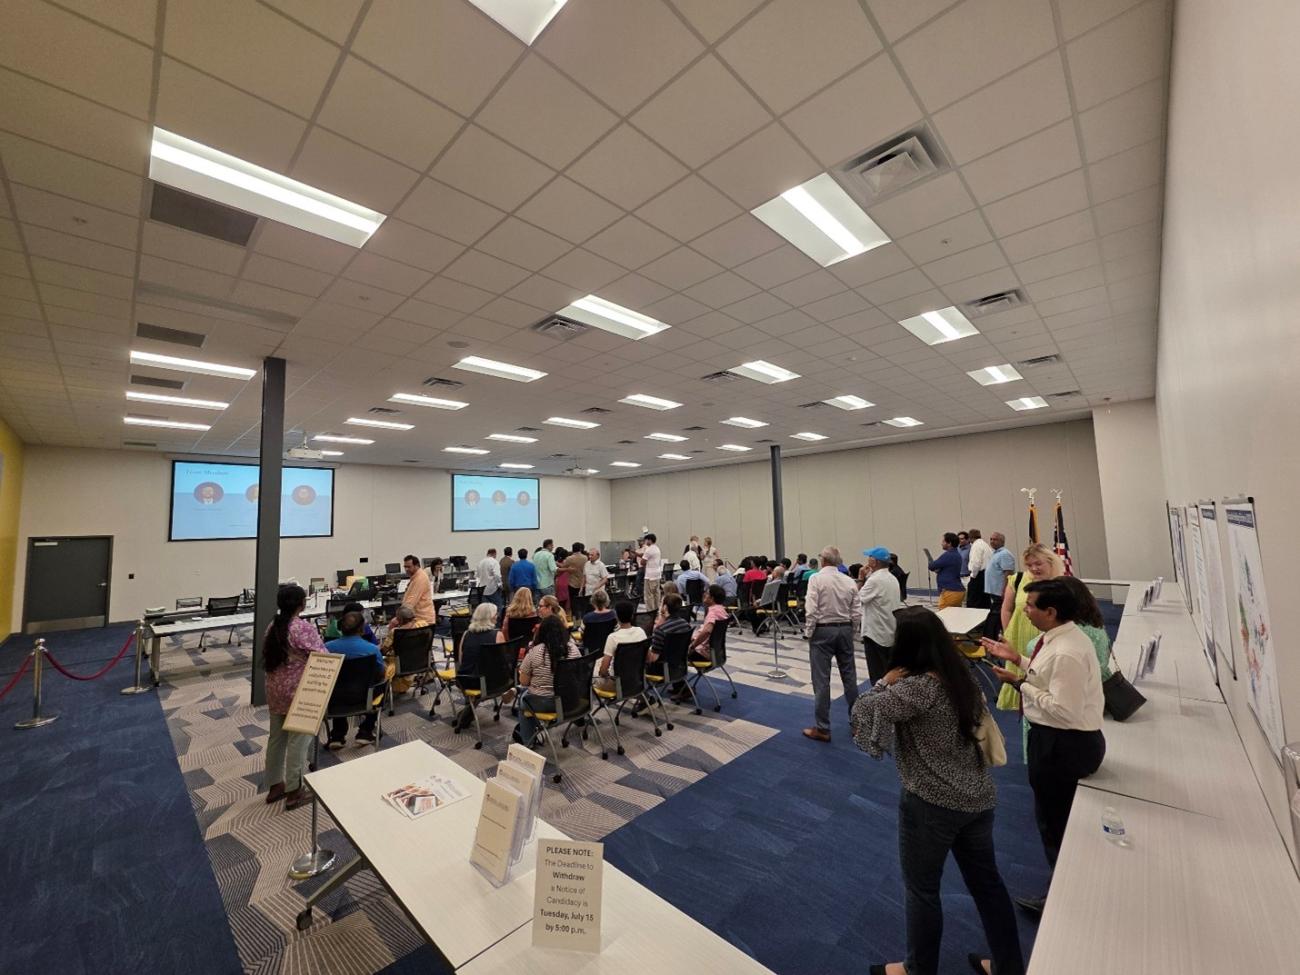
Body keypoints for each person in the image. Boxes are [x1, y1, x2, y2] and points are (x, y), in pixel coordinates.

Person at [853, 608, 1024, 975]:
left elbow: (863, 711)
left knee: (922, 890)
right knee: (988, 886)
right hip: (978, 796)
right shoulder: (960, 674)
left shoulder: (917, 688)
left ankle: (918, 969)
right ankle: (1009, 966)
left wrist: (884, 681)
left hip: (932, 804)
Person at [984, 579, 1105, 916]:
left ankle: (1066, 898)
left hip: (1062, 746)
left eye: (1032, 605)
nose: (1025, 609)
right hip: (1058, 741)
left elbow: (1063, 708)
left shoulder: (1067, 650)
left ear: (1051, 612)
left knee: (1055, 824)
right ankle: (1066, 886)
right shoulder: (1061, 639)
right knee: (1053, 820)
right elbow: (1050, 677)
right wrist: (1018, 659)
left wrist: (1020, 683)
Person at [262, 584, 326, 810]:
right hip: (298, 692)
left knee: (276, 739)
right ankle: (294, 790)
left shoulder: (272, 626)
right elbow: (323, 656)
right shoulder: (302, 628)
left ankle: (274, 785)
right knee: (299, 740)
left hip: (274, 690)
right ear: (302, 603)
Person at [995, 543, 1065, 710]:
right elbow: (1006, 609)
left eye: (1038, 563)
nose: (1034, 568)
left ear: (1050, 562)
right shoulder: (1017, 580)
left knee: (1045, 686)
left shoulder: (1062, 585)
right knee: (1021, 687)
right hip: (1018, 638)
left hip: (1049, 641)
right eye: (1029, 565)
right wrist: (1008, 633)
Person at [802, 546, 861, 743]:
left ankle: (823, 728)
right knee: (850, 678)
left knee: (821, 681)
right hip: (844, 629)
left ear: (823, 560)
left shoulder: (816, 579)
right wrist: (851, 631)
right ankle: (857, 726)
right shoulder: (849, 580)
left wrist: (809, 632)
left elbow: (811, 607)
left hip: (822, 630)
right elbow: (856, 611)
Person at [325, 610, 389, 747]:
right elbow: (382, 673)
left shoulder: (326, 648)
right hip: (364, 698)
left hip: (334, 700)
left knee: (338, 684)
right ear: (362, 628)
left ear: (340, 627)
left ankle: (337, 735)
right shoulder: (372, 649)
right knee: (383, 682)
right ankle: (365, 731)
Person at [515, 615, 581, 747]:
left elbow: (523, 681)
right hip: (570, 701)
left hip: (544, 703)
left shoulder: (534, 652)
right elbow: (579, 674)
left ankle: (528, 742)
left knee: (523, 699)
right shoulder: (573, 649)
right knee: (527, 695)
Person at [453, 602, 505, 731]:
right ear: (491, 617)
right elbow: (501, 663)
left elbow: (461, 660)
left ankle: (468, 708)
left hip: (466, 680)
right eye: (495, 614)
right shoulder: (497, 635)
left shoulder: (466, 634)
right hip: (490, 682)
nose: (497, 616)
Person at [859, 546, 902, 684]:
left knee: (877, 672)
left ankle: (880, 701)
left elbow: (857, 599)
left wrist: (860, 578)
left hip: (875, 632)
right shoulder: (891, 577)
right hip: (889, 628)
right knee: (888, 669)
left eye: (869, 557)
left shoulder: (874, 580)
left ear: (874, 562)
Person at [595, 599, 648, 693]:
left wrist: (603, 674)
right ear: (632, 616)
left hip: (618, 683)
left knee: (593, 670)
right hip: (637, 679)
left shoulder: (613, 638)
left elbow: (603, 671)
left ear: (617, 617)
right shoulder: (641, 631)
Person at [981, 533, 1016, 635]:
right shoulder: (995, 553)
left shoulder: (1005, 554)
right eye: (991, 539)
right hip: (994, 591)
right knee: (996, 614)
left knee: (996, 615)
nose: (992, 541)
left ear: (1002, 541)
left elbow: (1008, 572)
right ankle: (995, 633)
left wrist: (1005, 590)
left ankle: (992, 635)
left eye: (995, 539)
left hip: (1000, 591)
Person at [929, 533, 966, 609]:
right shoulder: (957, 555)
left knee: (944, 615)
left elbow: (932, 566)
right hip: (957, 590)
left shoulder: (948, 555)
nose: (941, 543)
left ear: (949, 543)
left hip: (950, 591)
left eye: (943, 541)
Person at [400, 553, 434, 624]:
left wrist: (398, 618)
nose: (406, 569)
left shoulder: (420, 578)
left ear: (416, 566)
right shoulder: (416, 577)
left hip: (422, 620)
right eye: (405, 567)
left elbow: (410, 603)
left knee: (394, 631)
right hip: (418, 618)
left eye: (409, 567)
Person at [966, 529, 992, 610]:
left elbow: (976, 563)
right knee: (985, 601)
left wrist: (973, 575)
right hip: (986, 575)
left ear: (970, 538)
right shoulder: (985, 545)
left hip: (979, 576)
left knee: (974, 602)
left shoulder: (976, 546)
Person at [476, 547, 503, 617]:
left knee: (486, 610)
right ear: (494, 554)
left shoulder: (480, 562)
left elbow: (477, 575)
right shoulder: (494, 562)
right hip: (492, 589)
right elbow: (497, 575)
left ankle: (487, 624)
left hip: (482, 589)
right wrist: (500, 585)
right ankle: (497, 624)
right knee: (498, 607)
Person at [639, 533, 663, 611]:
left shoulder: (648, 549)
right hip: (657, 574)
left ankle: (650, 612)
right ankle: (657, 610)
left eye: (646, 540)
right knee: (656, 594)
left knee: (649, 595)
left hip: (650, 576)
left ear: (649, 540)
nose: (645, 542)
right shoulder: (657, 548)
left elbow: (642, 562)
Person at [562, 542, 587, 612]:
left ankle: (575, 617)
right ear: (580, 549)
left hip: (572, 583)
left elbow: (563, 567)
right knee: (582, 602)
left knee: (573, 602)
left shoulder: (569, 558)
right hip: (583, 583)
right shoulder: (585, 558)